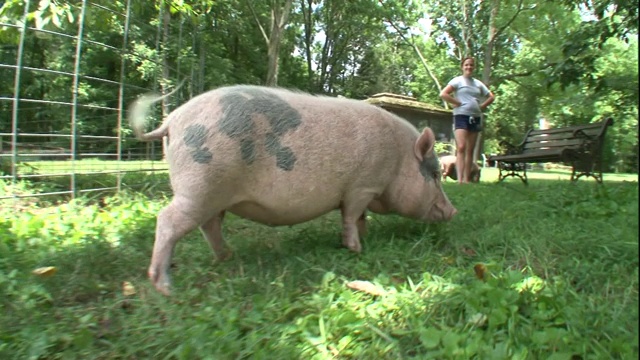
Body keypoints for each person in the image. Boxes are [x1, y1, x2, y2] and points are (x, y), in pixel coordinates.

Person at [440, 57, 495, 184]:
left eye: (471, 65)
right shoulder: (457, 81)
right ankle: (459, 179)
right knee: (461, 147)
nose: (468, 67)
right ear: (462, 67)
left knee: (470, 149)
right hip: (461, 116)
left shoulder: (478, 84)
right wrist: (456, 102)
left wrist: (481, 106)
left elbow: (491, 97)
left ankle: (466, 179)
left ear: (474, 67)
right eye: (466, 65)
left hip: (475, 117)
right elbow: (443, 94)